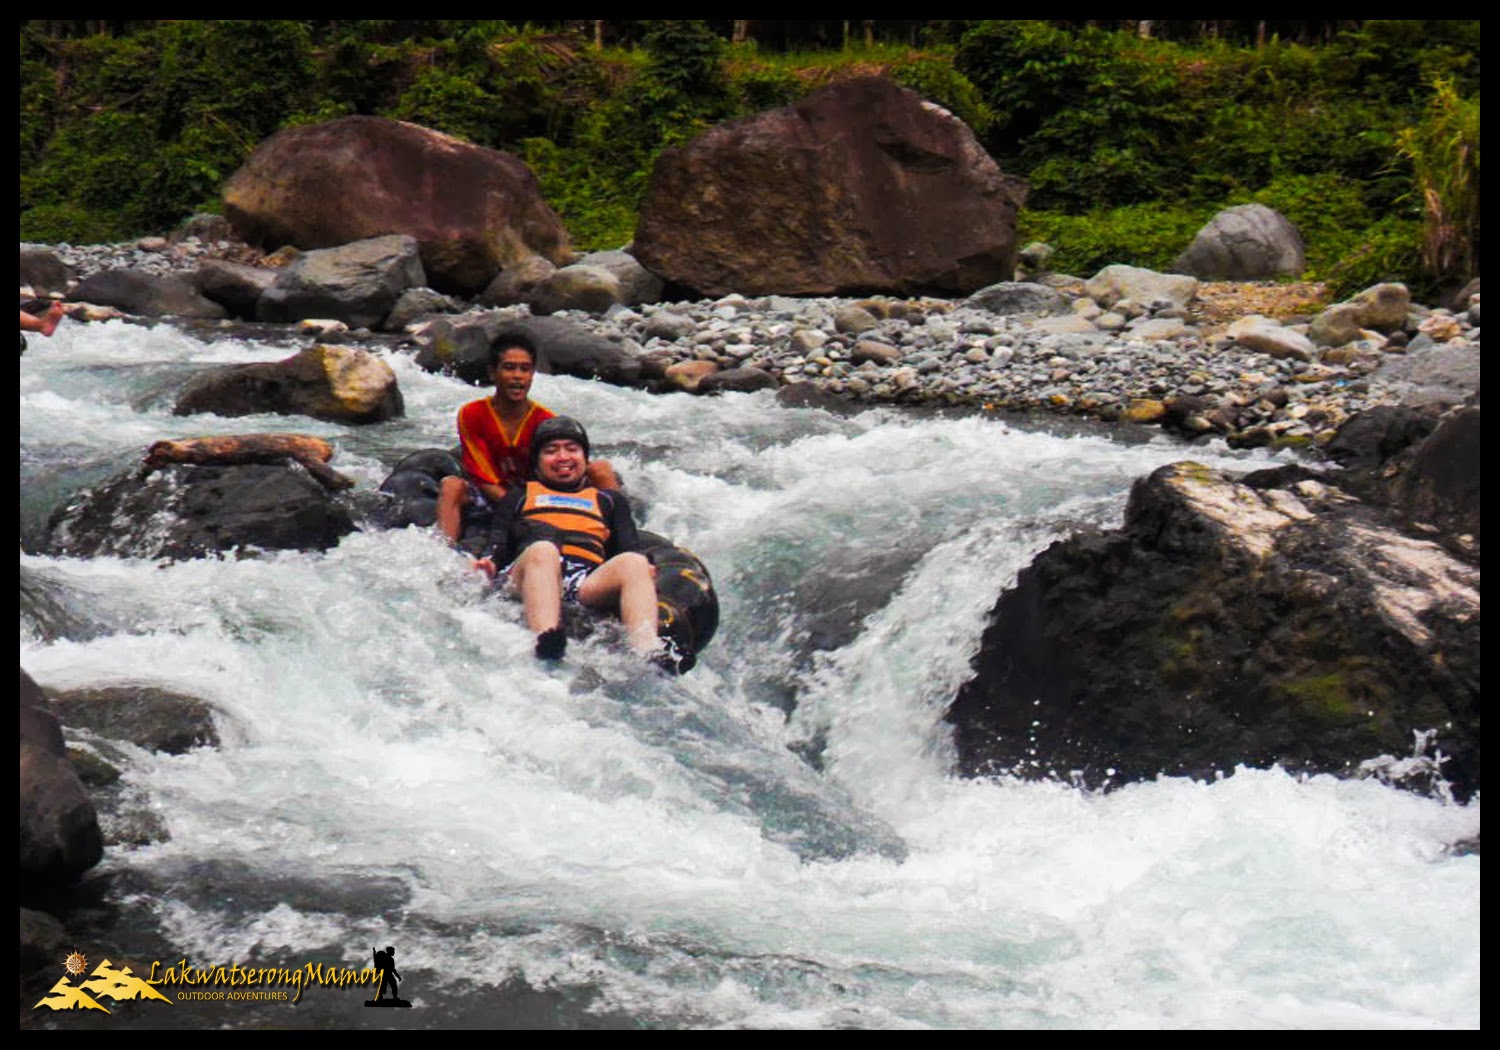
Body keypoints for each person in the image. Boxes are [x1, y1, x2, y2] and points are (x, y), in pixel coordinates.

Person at [475, 416, 668, 667]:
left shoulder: (608, 501)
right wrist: (489, 561)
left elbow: (628, 548)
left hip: (583, 581)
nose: (563, 457)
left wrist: (644, 570)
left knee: (634, 562)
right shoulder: (521, 495)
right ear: (537, 462)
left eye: (572, 449)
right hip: (530, 573)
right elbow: (498, 540)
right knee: (545, 549)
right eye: (551, 451)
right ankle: (546, 638)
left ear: (584, 459)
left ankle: (647, 650)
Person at [436, 329, 616, 544]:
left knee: (601, 469)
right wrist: (518, 508)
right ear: (493, 373)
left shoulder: (545, 420)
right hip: (493, 497)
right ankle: (445, 552)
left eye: (525, 369)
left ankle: (617, 538)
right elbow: (481, 475)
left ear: (532, 375)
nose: (517, 377)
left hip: (539, 496)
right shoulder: (472, 414)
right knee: (451, 485)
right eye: (509, 368)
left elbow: (554, 473)